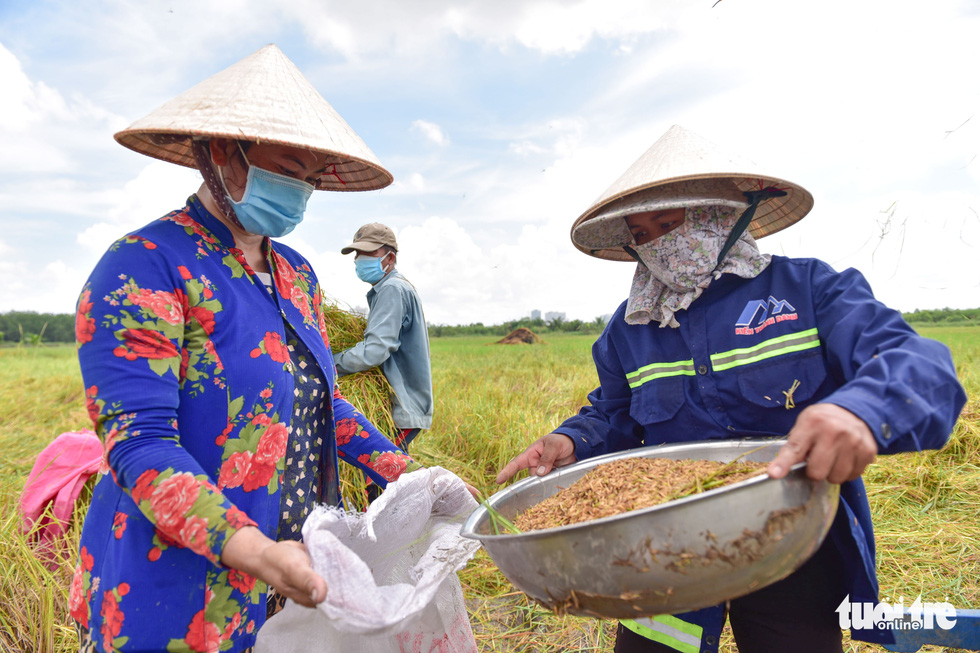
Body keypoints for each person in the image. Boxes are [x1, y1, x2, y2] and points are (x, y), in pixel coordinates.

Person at [496, 125, 966, 653]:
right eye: (644, 233)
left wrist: (858, 412)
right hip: (660, 549)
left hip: (789, 538)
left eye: (669, 222)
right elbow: (614, 414)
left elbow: (919, 367)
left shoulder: (808, 291)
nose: (659, 243)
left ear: (718, 216)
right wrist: (573, 440)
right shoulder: (629, 330)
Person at [70, 45, 427, 653]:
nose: (301, 189)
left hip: (291, 569)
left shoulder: (297, 274)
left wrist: (408, 475)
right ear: (220, 152)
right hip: (174, 587)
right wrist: (255, 552)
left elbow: (321, 407)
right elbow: (141, 442)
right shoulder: (145, 266)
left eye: (310, 177)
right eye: (288, 166)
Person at [336, 223, 433, 458]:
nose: (359, 259)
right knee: (390, 481)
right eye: (357, 254)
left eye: (368, 253)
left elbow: (375, 350)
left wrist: (330, 363)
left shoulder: (392, 289)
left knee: (380, 479)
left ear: (389, 257)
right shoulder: (392, 288)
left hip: (402, 406)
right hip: (400, 407)